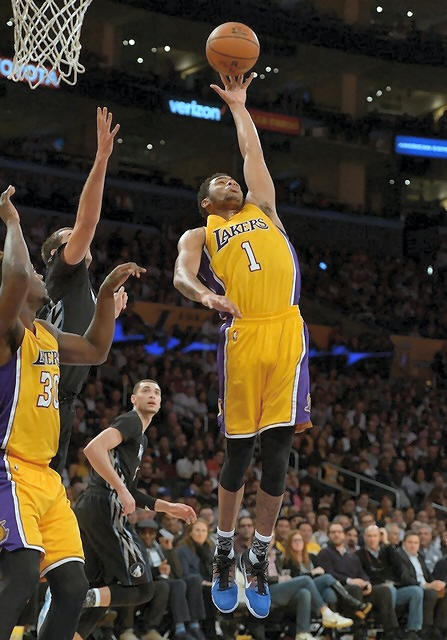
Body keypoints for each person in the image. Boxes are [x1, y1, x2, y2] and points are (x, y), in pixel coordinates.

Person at [173, 72, 312, 619]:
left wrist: (239, 106)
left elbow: (252, 152)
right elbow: (182, 276)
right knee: (239, 454)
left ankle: (259, 554)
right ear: (205, 202)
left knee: (278, 457)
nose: (230, 182)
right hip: (245, 335)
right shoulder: (200, 234)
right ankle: (224, 548)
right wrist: (207, 296)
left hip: (288, 332)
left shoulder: (264, 208)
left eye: (232, 179)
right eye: (220, 182)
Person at [0, 185, 143, 640]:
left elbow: (97, 349)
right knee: (22, 573)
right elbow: (16, 273)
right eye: (34, 272)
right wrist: (12, 221)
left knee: (72, 585)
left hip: (45, 475)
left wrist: (106, 294)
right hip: (9, 469)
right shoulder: (8, 332)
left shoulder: (46, 332)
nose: (40, 275)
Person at [71, 379, 197, 640]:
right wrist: (120, 489)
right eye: (146, 390)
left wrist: (167, 507)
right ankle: (73, 597)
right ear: (133, 399)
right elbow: (93, 449)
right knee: (142, 589)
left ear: (160, 403)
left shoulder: (141, 438)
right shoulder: (131, 421)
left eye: (157, 392)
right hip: (104, 505)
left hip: (92, 507)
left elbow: (132, 490)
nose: (152, 395)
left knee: (105, 588)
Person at [40, 106, 124, 477]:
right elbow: (88, 221)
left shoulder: (80, 289)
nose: (79, 238)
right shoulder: (63, 269)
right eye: (69, 237)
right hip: (44, 388)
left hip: (62, 396)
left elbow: (93, 345)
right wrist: (102, 158)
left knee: (48, 479)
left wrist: (107, 314)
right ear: (56, 254)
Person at [316, 522, 398, 640]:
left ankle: (390, 631)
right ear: (328, 535)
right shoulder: (325, 553)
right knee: (354, 588)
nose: (336, 535)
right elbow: (328, 574)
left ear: (344, 535)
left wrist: (366, 583)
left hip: (358, 591)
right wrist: (350, 580)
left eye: (339, 532)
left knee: (384, 591)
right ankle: (359, 630)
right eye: (333, 532)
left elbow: (361, 573)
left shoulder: (352, 555)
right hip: (340, 592)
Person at [266, 537, 354, 640]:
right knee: (306, 580)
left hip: (283, 589)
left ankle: (303, 633)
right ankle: (327, 612)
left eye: (272, 538)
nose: (269, 540)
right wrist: (278, 579)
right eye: (267, 537)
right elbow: (255, 578)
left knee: (305, 592)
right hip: (265, 591)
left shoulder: (276, 554)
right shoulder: (255, 554)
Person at [137, 519, 206, 640]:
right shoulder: (137, 549)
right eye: (144, 533)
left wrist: (170, 550)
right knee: (178, 584)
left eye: (151, 533)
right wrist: (158, 570)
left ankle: (194, 625)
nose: (147, 536)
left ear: (155, 534)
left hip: (167, 580)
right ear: (138, 534)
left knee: (192, 581)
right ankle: (180, 628)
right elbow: (138, 572)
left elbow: (178, 572)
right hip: (153, 582)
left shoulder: (159, 548)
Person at [282, 530, 371, 619]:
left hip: (316, 586)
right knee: (327, 577)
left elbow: (321, 571)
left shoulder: (311, 557)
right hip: (301, 589)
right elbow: (293, 580)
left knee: (329, 593)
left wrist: (316, 573)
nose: (298, 543)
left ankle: (333, 623)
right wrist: (312, 573)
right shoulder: (287, 561)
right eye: (295, 540)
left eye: (300, 540)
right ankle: (353, 602)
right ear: (289, 543)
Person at [357, 525, 423, 640]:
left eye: (375, 536)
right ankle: (390, 629)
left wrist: (387, 543)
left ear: (380, 537)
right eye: (369, 536)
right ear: (364, 537)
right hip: (375, 590)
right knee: (388, 590)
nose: (372, 539)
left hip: (394, 588)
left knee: (416, 591)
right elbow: (362, 575)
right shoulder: (359, 554)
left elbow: (399, 567)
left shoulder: (387, 550)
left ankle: (413, 630)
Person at [398, 530, 447, 639]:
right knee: (430, 593)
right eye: (410, 542)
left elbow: (428, 575)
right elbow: (404, 578)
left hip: (424, 586)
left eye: (416, 543)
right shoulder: (399, 556)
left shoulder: (419, 556)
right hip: (409, 587)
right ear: (404, 543)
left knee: (443, 592)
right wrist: (426, 585)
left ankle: (440, 628)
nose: (413, 545)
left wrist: (436, 583)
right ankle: (425, 629)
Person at [177, 519, 217, 640]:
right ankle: (205, 631)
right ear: (190, 532)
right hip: (191, 584)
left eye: (204, 530)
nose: (200, 533)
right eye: (197, 530)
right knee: (208, 593)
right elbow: (183, 573)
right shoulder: (183, 549)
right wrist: (202, 582)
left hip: (209, 582)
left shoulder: (210, 548)